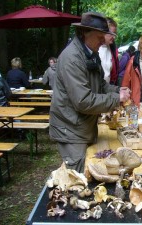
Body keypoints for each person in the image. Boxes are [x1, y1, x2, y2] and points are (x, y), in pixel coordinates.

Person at [49, 12, 130, 173]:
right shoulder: (72, 58)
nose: (103, 41)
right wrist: (116, 99)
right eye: (100, 37)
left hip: (82, 127)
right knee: (76, 178)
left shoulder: (91, 53)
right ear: (84, 32)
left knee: (87, 171)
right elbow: (83, 101)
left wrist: (117, 90)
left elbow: (99, 84)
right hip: (71, 130)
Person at [98, 17, 119, 84]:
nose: (114, 37)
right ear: (103, 32)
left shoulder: (112, 49)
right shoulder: (94, 47)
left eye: (115, 34)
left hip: (108, 88)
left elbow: (114, 73)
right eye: (112, 34)